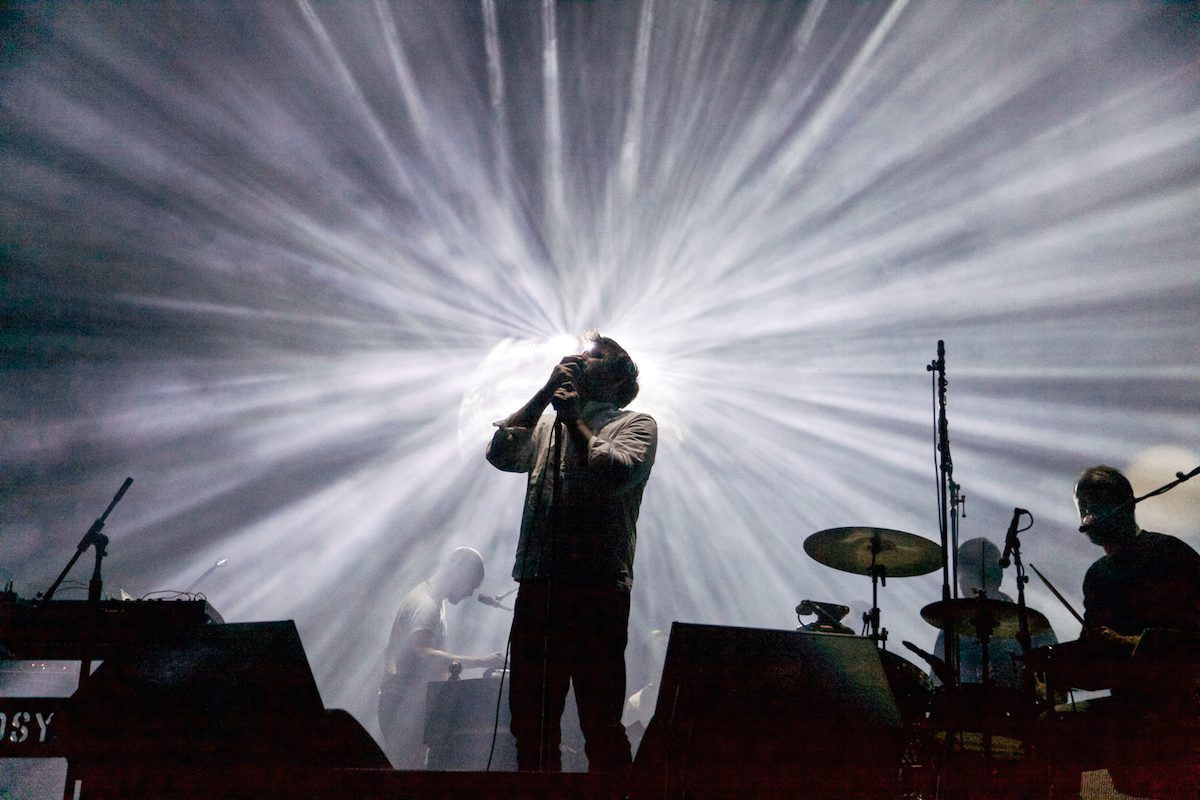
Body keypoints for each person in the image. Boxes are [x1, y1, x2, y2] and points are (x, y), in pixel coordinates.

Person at [486, 334, 657, 775]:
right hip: (540, 584)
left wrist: (575, 421)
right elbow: (501, 453)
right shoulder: (547, 425)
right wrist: (544, 394)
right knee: (531, 721)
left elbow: (612, 475)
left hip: (597, 589)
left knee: (599, 720)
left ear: (619, 377)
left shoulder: (636, 425)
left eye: (594, 357)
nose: (581, 359)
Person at [1041, 465, 1200, 798]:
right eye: (1082, 506)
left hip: (1179, 709)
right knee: (1050, 725)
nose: (1087, 513)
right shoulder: (1097, 576)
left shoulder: (1172, 555)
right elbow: (1096, 659)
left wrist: (1131, 643)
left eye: (1094, 502)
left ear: (1127, 502)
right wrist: (1055, 672)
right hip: (1128, 709)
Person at [377, 546, 505, 769]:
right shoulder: (426, 605)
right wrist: (481, 662)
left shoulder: (433, 602)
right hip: (402, 706)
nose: (471, 593)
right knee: (407, 777)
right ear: (458, 569)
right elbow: (420, 653)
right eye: (472, 584)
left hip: (403, 705)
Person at [931, 537, 1058, 690]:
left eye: (968, 573)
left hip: (1022, 709)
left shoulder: (1031, 623)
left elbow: (1056, 683)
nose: (961, 582)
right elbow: (937, 683)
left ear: (998, 575)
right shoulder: (951, 628)